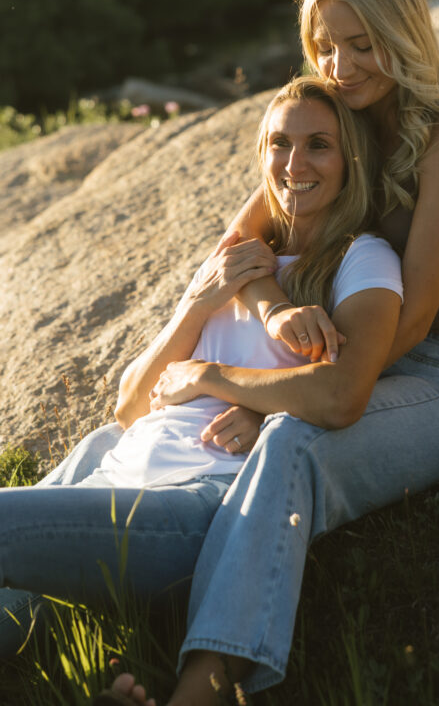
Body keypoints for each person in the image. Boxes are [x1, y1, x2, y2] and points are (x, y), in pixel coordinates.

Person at [96, 0, 439, 703]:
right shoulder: (327, 121)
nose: (342, 65)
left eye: (362, 43)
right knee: (117, 438)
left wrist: (277, 396)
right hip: (332, 373)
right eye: (325, 45)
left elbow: (411, 323)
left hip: (438, 381)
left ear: (404, 33)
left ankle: (204, 688)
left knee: (290, 441)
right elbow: (236, 253)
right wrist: (278, 312)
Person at [0, 76, 404, 705]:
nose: (294, 164)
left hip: (196, 509)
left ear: (350, 160)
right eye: (279, 143)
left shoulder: (364, 258)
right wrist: (197, 303)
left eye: (318, 145)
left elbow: (339, 392)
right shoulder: (238, 259)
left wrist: (235, 392)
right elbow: (132, 405)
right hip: (114, 479)